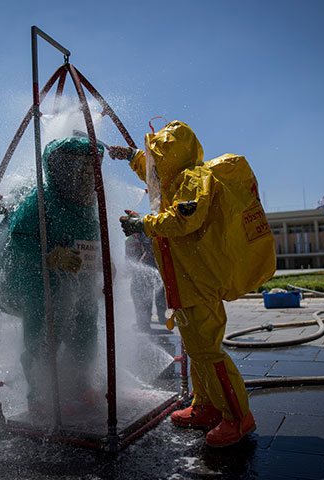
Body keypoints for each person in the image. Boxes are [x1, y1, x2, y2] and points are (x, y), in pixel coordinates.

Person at [109, 120, 275, 447]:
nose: (153, 165)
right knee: (197, 352)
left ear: (172, 157)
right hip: (185, 285)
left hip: (198, 285)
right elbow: (156, 181)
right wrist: (131, 156)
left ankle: (238, 418)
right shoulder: (175, 181)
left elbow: (185, 219)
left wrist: (142, 223)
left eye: (157, 156)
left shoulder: (193, 180)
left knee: (208, 353)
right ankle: (206, 407)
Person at [0, 136, 103, 413]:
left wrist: (100, 265)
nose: (79, 175)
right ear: (55, 167)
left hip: (79, 279)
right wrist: (51, 255)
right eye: (70, 167)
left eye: (86, 167)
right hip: (40, 281)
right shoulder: (40, 199)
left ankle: (80, 381)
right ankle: (37, 392)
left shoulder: (88, 206)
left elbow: (94, 240)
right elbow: (19, 235)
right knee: (42, 332)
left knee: (86, 325)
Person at [124, 230, 167, 333]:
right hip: (147, 269)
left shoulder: (138, 236)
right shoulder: (133, 238)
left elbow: (147, 252)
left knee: (143, 295)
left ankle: (145, 323)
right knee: (145, 295)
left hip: (146, 269)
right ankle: (147, 322)